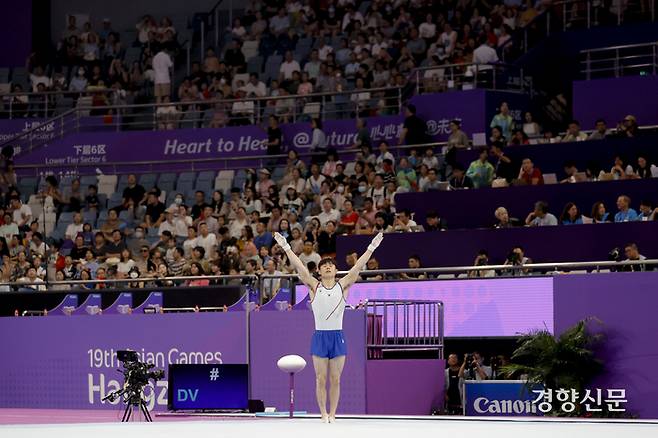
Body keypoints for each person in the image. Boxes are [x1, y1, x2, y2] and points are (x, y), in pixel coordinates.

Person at [273, 231, 384, 423]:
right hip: (320, 337)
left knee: (336, 379)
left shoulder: (343, 286)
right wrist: (286, 247)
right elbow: (300, 268)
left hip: (337, 336)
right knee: (320, 379)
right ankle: (323, 414)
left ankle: (333, 414)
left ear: (335, 270)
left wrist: (371, 248)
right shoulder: (314, 286)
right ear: (319, 271)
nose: (327, 267)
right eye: (323, 266)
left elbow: (357, 267)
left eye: (330, 265)